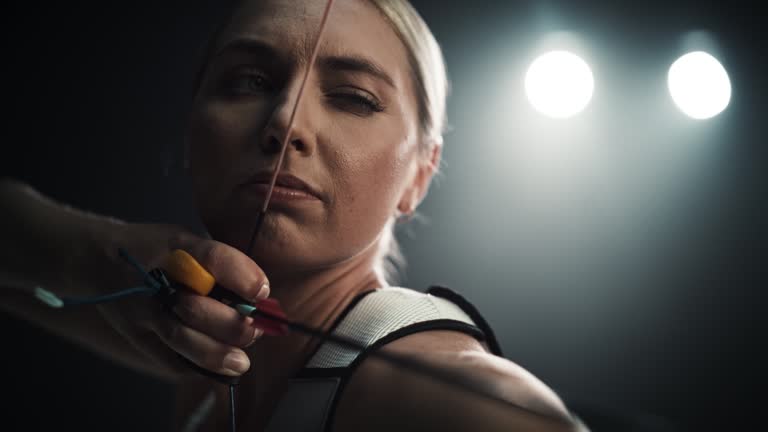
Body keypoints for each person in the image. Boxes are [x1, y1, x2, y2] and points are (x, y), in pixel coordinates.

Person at [0, 0, 588, 431]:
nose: (285, 122)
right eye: (248, 81)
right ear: (188, 133)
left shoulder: (453, 400)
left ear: (419, 175)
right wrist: (96, 258)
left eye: (354, 98)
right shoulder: (198, 359)